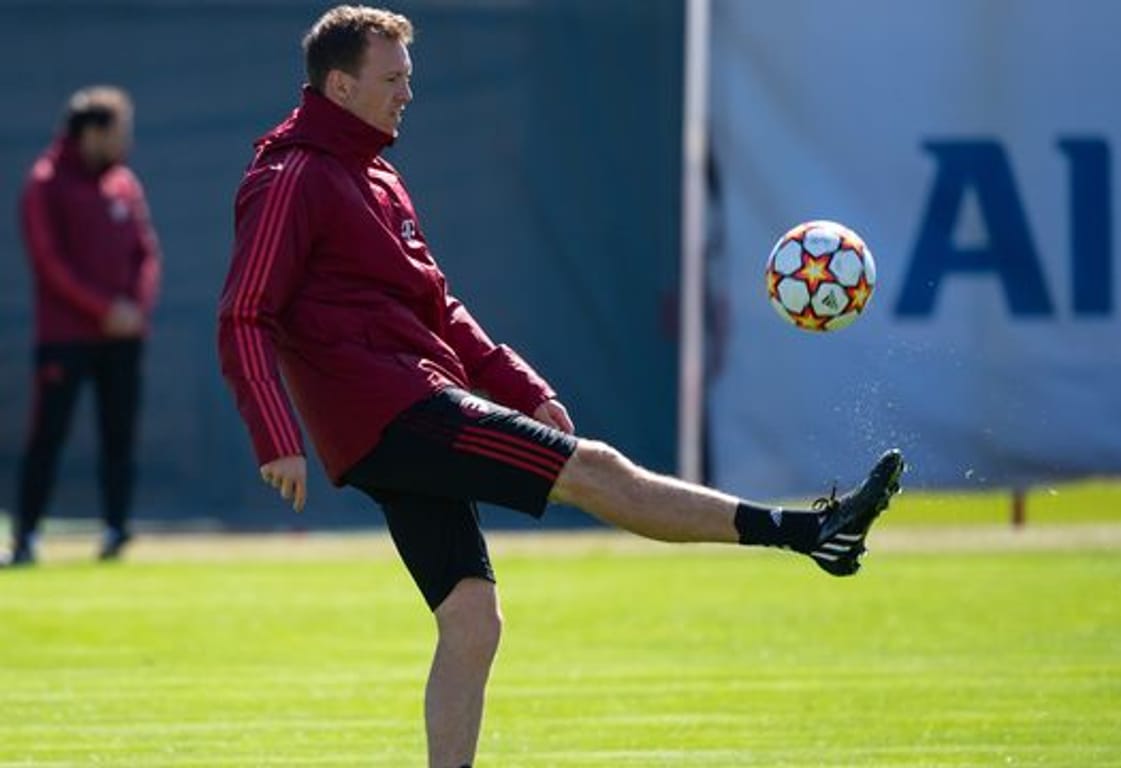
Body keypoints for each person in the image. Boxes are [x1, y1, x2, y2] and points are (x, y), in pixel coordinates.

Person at [217, 6, 903, 767]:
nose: (408, 92)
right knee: (595, 471)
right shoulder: (292, 176)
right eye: (393, 79)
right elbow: (244, 314)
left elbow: (437, 305)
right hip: (395, 409)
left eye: (409, 76)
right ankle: (809, 532)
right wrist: (275, 440)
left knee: (473, 620)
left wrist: (520, 386)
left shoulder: (373, 173)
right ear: (340, 86)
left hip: (399, 409)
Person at [7, 86, 160, 567]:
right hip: (65, 339)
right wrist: (103, 310)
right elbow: (49, 263)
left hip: (123, 339)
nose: (125, 144)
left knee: (120, 437)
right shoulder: (45, 182)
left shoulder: (124, 185)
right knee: (47, 437)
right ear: (92, 133)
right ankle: (27, 536)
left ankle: (117, 530)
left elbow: (146, 252)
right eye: (118, 133)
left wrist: (135, 307)